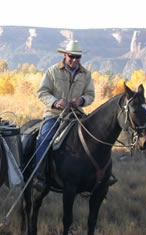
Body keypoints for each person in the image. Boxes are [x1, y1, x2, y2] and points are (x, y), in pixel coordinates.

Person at [32, 40, 116, 191]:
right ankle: (39, 175)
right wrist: (55, 102)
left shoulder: (86, 74)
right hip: (55, 114)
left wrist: (81, 100)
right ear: (65, 55)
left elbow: (90, 95)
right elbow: (42, 92)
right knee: (44, 137)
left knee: (98, 138)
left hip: (77, 115)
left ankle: (103, 174)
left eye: (78, 57)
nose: (75, 60)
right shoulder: (52, 71)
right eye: (72, 56)